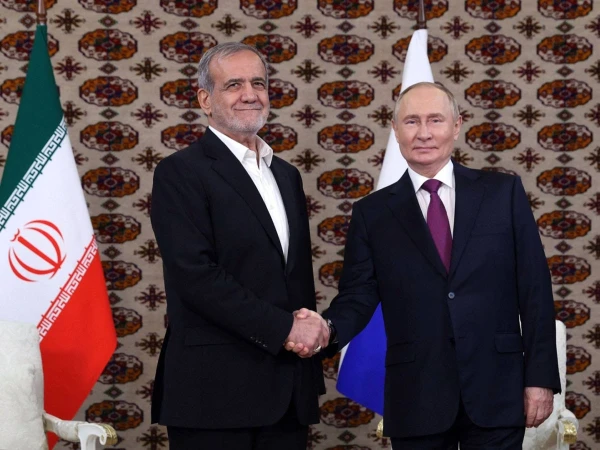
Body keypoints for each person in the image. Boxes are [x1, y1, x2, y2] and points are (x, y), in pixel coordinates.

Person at [289, 82, 560, 449]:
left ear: (457, 125)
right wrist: (326, 329)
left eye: (435, 120)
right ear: (395, 129)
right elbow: (358, 296)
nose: (424, 133)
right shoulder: (372, 213)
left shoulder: (503, 193)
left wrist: (540, 378)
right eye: (412, 121)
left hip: (497, 389)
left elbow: (535, 291)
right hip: (416, 395)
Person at [150, 42, 330, 450]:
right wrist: (286, 328)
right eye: (233, 84)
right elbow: (196, 277)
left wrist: (309, 336)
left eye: (258, 83)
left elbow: (292, 279)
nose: (250, 94)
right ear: (205, 100)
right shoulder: (180, 172)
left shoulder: (286, 175)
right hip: (213, 393)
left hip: (288, 391)